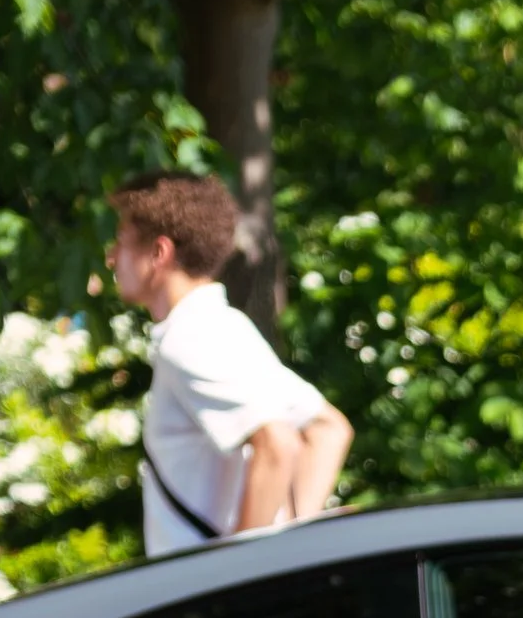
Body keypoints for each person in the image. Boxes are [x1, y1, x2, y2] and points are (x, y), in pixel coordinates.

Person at [108, 175, 351, 555]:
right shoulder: (223, 327)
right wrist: (292, 539)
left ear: (159, 253)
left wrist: (239, 573)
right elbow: (328, 429)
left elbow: (278, 444)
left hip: (204, 598)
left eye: (120, 242)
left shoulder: (192, 338)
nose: (110, 257)